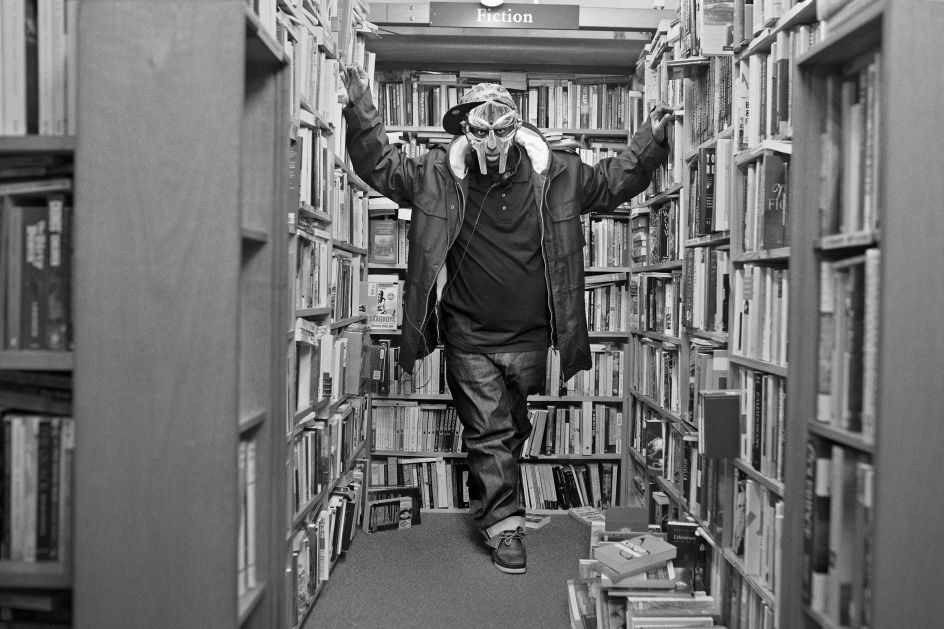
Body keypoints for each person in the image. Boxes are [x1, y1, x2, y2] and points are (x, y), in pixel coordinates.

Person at [342, 66, 673, 574]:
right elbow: (379, 166)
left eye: (502, 129)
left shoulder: (558, 173)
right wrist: (360, 104)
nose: (492, 142)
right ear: (464, 131)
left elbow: (611, 183)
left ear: (517, 127)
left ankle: (497, 498)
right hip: (467, 335)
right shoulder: (433, 174)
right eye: (480, 130)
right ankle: (505, 528)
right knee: (488, 432)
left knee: (511, 427)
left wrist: (650, 139)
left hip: (531, 338)